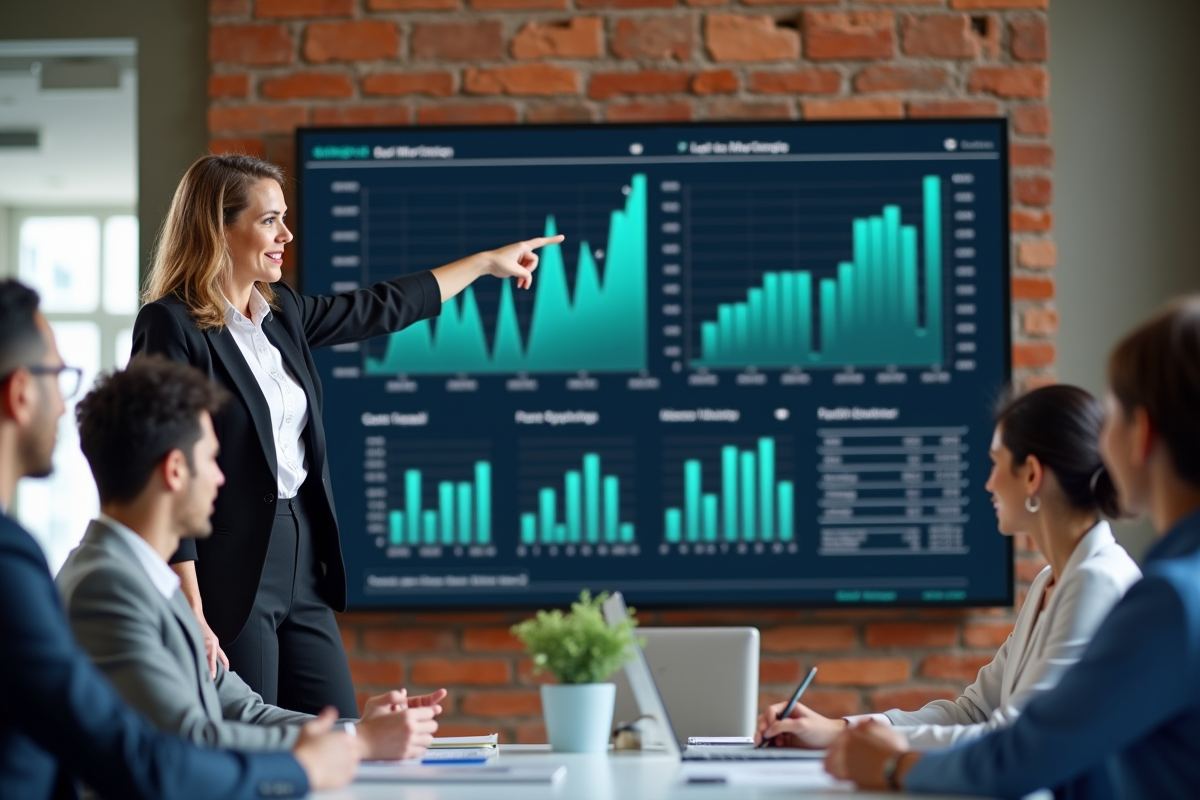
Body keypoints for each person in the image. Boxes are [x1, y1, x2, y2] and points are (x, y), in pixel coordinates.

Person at [134, 153, 562, 717]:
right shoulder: (171, 324)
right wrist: (189, 601)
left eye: (284, 218)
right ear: (219, 227)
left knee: (341, 727)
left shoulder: (282, 311)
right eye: (269, 220)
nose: (286, 234)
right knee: (255, 738)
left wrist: (484, 265)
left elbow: (381, 307)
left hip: (304, 558)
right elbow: (161, 463)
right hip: (226, 572)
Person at [825, 295, 1200, 798]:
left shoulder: (1168, 598)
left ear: (1142, 434)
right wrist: (852, 732)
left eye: (1113, 414)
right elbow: (983, 712)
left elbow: (1024, 751)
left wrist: (895, 766)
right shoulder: (1068, 581)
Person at [0, 279, 357, 799]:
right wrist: (301, 768)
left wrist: (349, 736)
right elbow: (152, 752)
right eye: (58, 376)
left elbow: (233, 707)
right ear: (21, 392)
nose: (222, 478)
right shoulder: (80, 578)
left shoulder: (153, 584)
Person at [58, 355, 445, 757]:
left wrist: (362, 729)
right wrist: (357, 742)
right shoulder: (104, 587)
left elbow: (244, 710)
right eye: (212, 458)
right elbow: (186, 739)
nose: (220, 477)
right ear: (175, 470)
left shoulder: (149, 581)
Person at [756, 385, 1141, 751]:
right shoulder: (1049, 582)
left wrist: (881, 755)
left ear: (1031, 475)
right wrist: (840, 729)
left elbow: (1012, 738)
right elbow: (971, 712)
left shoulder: (1097, 581)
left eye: (995, 463)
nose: (988, 483)